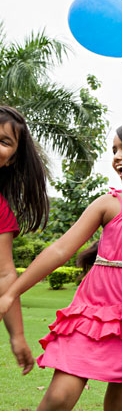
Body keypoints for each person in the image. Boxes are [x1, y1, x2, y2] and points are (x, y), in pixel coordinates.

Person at [0, 121, 122, 410]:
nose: (117, 156)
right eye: (114, 149)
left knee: (120, 405)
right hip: (92, 315)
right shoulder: (109, 203)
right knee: (59, 397)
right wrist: (11, 292)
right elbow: (60, 249)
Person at [0, 106, 49, 376]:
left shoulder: (1, 212)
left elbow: (5, 273)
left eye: (4, 141)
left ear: (10, 160)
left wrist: (17, 334)